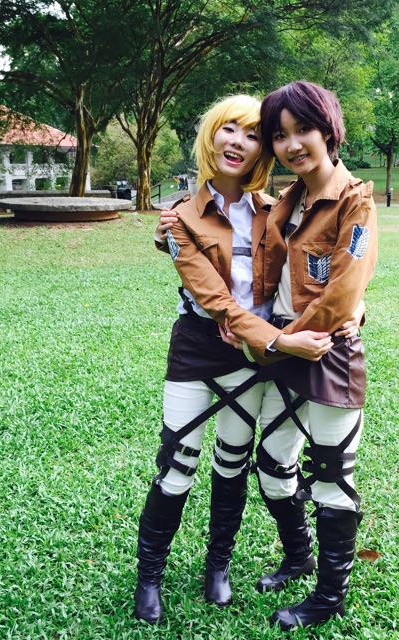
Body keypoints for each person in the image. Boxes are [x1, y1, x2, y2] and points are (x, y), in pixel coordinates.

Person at [134, 94, 359, 625]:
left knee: (232, 459)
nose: (239, 142)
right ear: (210, 137)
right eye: (228, 129)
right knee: (176, 465)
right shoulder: (179, 218)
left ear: (264, 149)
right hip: (205, 348)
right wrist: (278, 342)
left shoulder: (275, 209)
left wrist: (355, 307)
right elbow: (215, 300)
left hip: (258, 354)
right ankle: (149, 577)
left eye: (253, 134)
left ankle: (218, 566)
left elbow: (315, 272)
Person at [226, 80, 378, 630]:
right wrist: (167, 228)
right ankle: (298, 557)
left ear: (329, 130)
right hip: (284, 351)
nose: (292, 144)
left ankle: (330, 596)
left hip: (329, 355)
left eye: (303, 129)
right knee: (272, 465)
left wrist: (277, 342)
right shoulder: (285, 202)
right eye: (280, 135)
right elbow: (234, 239)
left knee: (332, 478)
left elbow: (343, 294)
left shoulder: (356, 201)